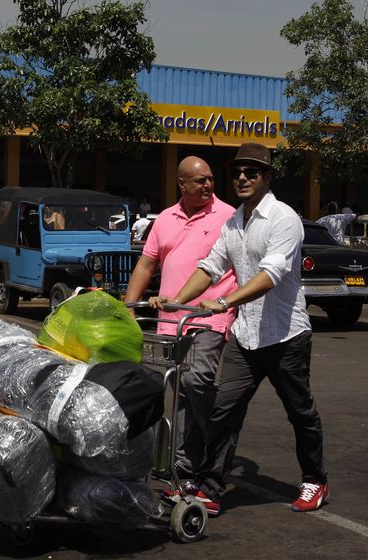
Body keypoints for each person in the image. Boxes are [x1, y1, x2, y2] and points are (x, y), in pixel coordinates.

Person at [151, 143, 329, 516]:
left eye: (252, 172)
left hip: (285, 337)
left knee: (300, 412)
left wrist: (226, 302)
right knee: (223, 412)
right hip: (245, 337)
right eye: (237, 173)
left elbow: (271, 274)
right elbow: (210, 266)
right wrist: (176, 300)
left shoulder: (284, 219)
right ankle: (212, 489)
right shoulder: (234, 223)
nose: (242, 178)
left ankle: (315, 480)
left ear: (267, 176)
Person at [124, 156, 237, 483]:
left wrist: (233, 304)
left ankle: (218, 433)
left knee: (195, 379)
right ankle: (186, 467)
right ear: (182, 184)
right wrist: (130, 307)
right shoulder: (165, 220)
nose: (208, 185)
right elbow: (146, 266)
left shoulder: (228, 216)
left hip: (209, 317)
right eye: (200, 181)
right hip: (169, 322)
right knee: (180, 390)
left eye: (211, 179)